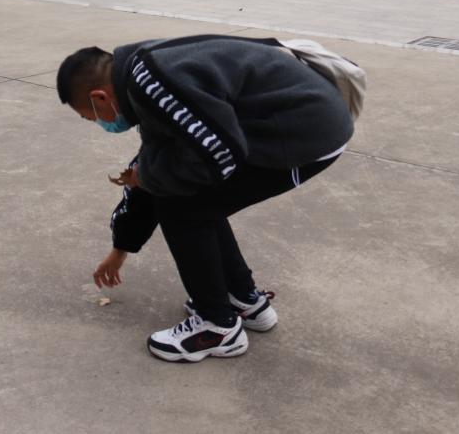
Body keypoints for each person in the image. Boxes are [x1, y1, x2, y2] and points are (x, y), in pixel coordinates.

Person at [56, 35, 355, 363]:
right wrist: (121, 247)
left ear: (99, 96)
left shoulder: (154, 85)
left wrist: (149, 177)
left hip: (306, 131)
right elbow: (154, 160)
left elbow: (219, 156)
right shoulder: (140, 75)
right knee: (186, 192)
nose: (100, 123)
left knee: (182, 204)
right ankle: (243, 299)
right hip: (303, 118)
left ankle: (218, 327)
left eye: (91, 117)